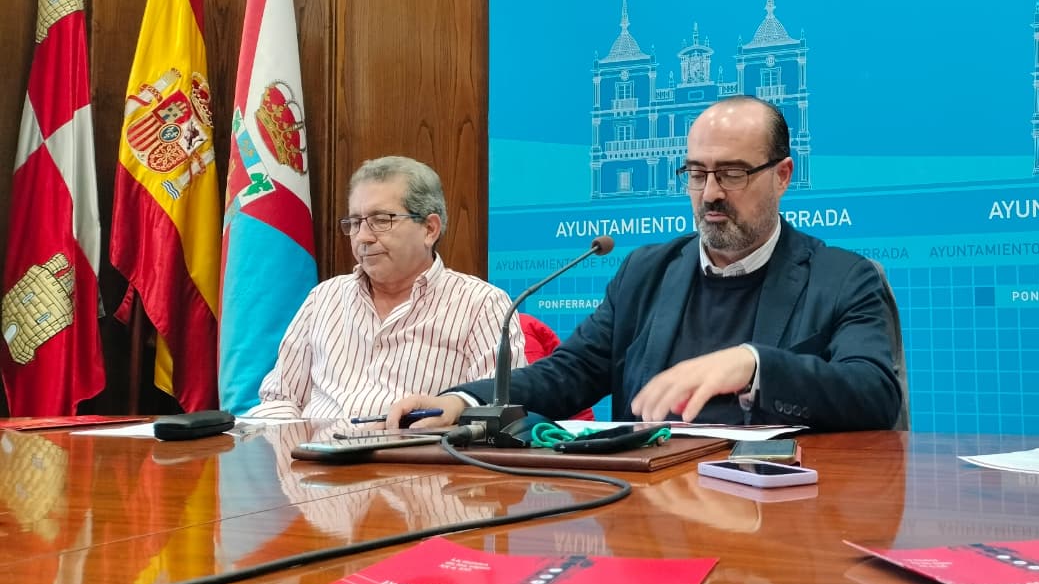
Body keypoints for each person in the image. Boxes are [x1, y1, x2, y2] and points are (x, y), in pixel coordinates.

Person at [388, 97, 901, 431]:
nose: (711, 194)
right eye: (697, 174)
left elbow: (874, 393)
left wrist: (755, 364)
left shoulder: (843, 277)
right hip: (653, 510)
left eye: (732, 173)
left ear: (783, 175)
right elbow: (570, 372)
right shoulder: (646, 272)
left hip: (779, 510)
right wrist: (463, 401)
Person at [247, 156, 524, 420]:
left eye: (381, 220)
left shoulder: (481, 304)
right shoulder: (324, 298)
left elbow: (500, 409)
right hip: (317, 462)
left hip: (417, 464)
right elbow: (280, 399)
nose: (363, 237)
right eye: (355, 223)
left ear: (429, 229)